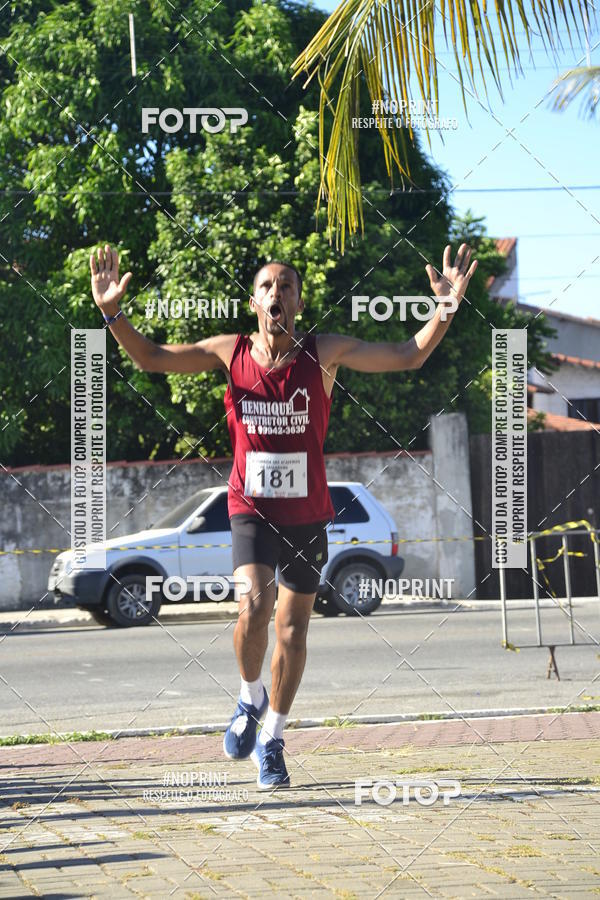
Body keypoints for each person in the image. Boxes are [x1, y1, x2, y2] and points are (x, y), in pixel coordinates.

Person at [90, 243, 477, 789]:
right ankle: (249, 699)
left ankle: (272, 737)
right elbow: (152, 357)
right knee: (251, 603)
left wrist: (446, 309)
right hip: (248, 508)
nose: (278, 293)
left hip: (307, 515)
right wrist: (111, 312)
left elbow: (407, 353)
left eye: (287, 286)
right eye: (268, 286)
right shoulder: (231, 352)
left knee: (293, 631)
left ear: (298, 301)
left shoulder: (325, 352)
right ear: (254, 301)